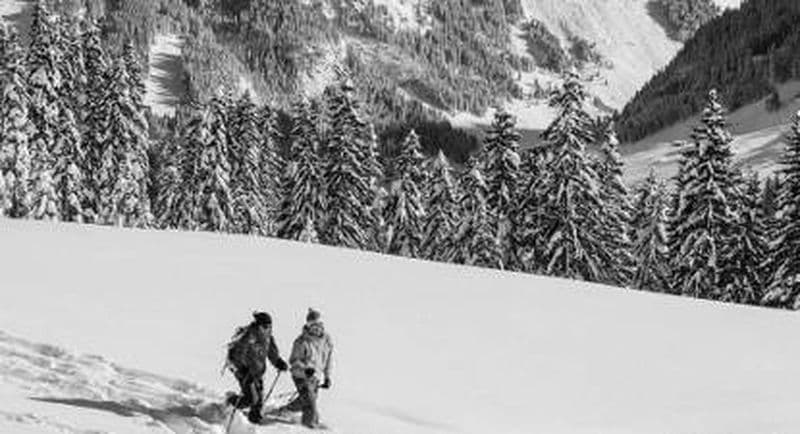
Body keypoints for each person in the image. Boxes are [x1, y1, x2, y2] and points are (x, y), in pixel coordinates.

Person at [226, 311, 288, 423]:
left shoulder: (268, 337)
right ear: (258, 325)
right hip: (245, 371)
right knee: (250, 399)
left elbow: (272, 353)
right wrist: (242, 369)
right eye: (264, 326)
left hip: (258, 372)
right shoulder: (249, 336)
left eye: (269, 326)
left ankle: (254, 422)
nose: (267, 329)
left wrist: (278, 362)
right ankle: (230, 401)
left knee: (259, 401)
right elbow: (238, 354)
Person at [281, 308, 334, 429]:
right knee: (310, 403)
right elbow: (294, 361)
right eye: (312, 325)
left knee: (307, 400)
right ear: (308, 326)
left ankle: (286, 410)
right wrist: (305, 369)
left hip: (315, 377)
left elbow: (328, 360)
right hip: (301, 375)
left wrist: (327, 377)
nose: (316, 328)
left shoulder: (326, 340)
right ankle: (309, 427)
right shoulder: (301, 341)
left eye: (318, 325)